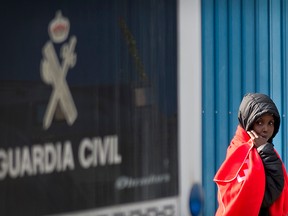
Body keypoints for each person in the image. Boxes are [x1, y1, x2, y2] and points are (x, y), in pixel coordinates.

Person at [214, 93, 288, 215]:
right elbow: (260, 197)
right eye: (260, 122)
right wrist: (265, 149)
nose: (266, 129)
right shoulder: (241, 150)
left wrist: (265, 150)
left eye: (270, 123)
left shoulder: (264, 149)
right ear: (248, 122)